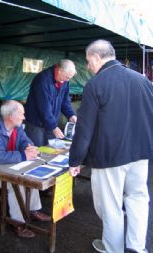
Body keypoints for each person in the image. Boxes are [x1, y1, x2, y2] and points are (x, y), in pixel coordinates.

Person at [69, 40, 153, 253]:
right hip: (140, 154)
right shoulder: (143, 81)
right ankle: (136, 248)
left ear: (97, 57)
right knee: (138, 199)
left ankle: (112, 249)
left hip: (110, 157)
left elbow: (84, 129)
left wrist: (75, 160)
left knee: (111, 206)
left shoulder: (96, 84)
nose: (88, 67)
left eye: (88, 61)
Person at [0, 100, 51, 239]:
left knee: (31, 173)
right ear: (11, 117)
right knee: (17, 182)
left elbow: (25, 140)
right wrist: (24, 155)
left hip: (6, 165)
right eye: (22, 114)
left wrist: (29, 147)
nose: (24, 117)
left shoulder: (16, 126)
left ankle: (32, 210)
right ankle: (18, 223)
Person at [25, 59, 77, 146]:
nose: (67, 80)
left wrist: (71, 115)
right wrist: (53, 127)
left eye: (69, 78)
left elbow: (65, 100)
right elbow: (43, 107)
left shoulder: (64, 81)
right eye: (67, 77)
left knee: (51, 149)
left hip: (51, 122)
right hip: (36, 124)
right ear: (60, 71)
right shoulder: (42, 80)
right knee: (37, 151)